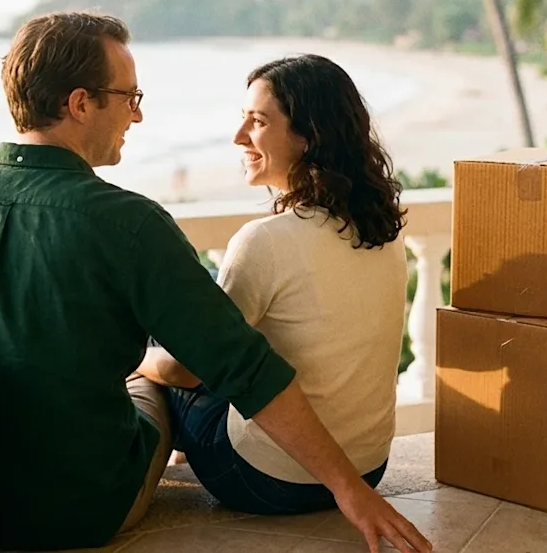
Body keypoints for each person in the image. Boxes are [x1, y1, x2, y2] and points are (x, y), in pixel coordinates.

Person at [0, 12, 431, 553]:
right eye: (130, 97)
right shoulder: (129, 223)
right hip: (85, 510)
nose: (139, 115)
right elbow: (246, 371)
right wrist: (349, 489)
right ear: (81, 104)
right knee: (149, 376)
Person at [136, 54, 410, 519]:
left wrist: (139, 357)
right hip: (366, 469)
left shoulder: (266, 241)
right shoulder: (381, 229)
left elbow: (190, 370)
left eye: (258, 122)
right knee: (205, 294)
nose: (239, 137)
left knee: (168, 338)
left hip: (268, 480)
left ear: (308, 137)